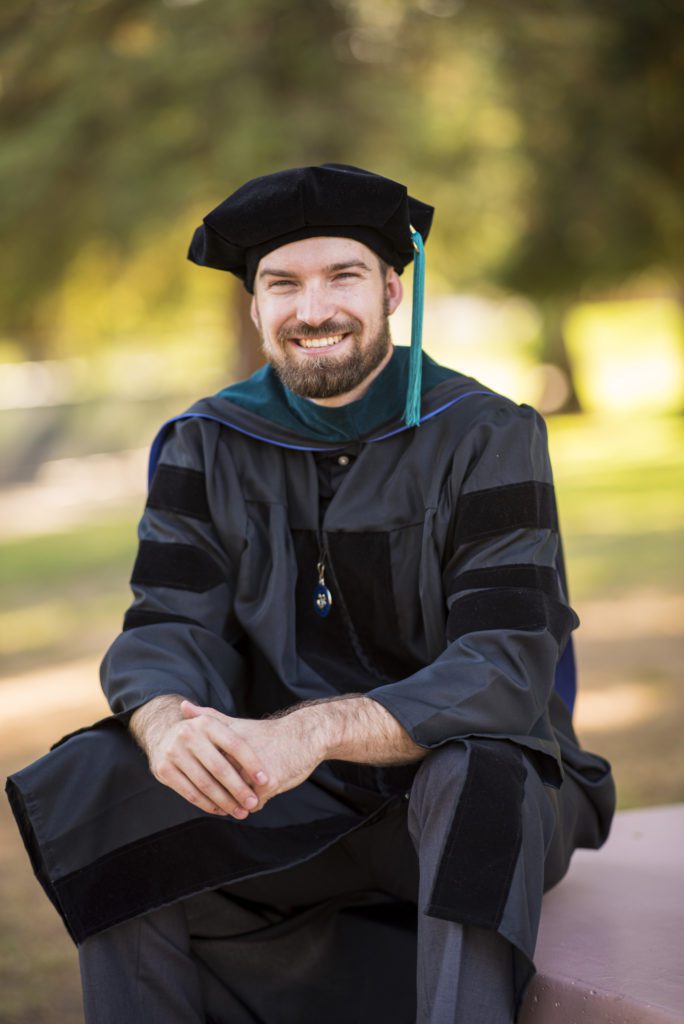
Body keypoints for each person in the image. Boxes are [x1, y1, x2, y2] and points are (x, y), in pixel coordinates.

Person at [7, 164, 615, 1024]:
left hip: (474, 799)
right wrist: (166, 723)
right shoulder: (206, 444)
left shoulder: (486, 436)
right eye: (283, 283)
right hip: (286, 798)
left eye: (343, 276)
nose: (314, 309)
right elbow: (167, 624)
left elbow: (505, 664)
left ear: (392, 291)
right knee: (106, 768)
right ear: (255, 306)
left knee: (476, 769)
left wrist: (314, 730)